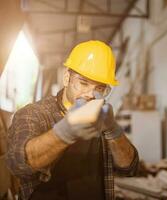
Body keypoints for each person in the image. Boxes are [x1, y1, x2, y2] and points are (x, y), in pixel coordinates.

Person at [5, 40, 139, 200]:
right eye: (83, 83)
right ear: (67, 78)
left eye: (99, 88)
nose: (90, 94)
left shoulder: (101, 119)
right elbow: (18, 164)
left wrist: (113, 131)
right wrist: (65, 132)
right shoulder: (34, 114)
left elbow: (129, 168)